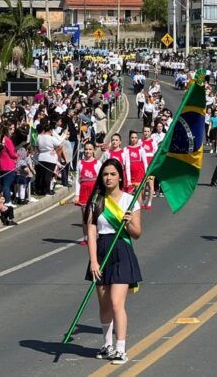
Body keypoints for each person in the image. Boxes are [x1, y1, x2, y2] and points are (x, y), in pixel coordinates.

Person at [84, 158, 142, 365]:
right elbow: (91, 231)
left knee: (117, 303)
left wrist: (128, 224)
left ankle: (120, 348)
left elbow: (137, 233)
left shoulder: (130, 200)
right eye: (105, 174)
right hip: (101, 252)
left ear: (120, 177)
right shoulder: (96, 201)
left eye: (112, 174)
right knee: (104, 304)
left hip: (122, 250)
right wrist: (93, 261)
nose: (108, 178)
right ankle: (107, 344)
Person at [75, 142, 99, 245]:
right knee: (85, 216)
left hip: (94, 192)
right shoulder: (80, 163)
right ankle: (85, 237)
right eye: (86, 149)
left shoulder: (97, 163)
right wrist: (76, 194)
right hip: (83, 192)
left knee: (93, 216)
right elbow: (77, 180)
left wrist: (99, 193)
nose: (88, 151)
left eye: (90, 149)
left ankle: (94, 236)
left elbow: (100, 180)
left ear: (93, 150)